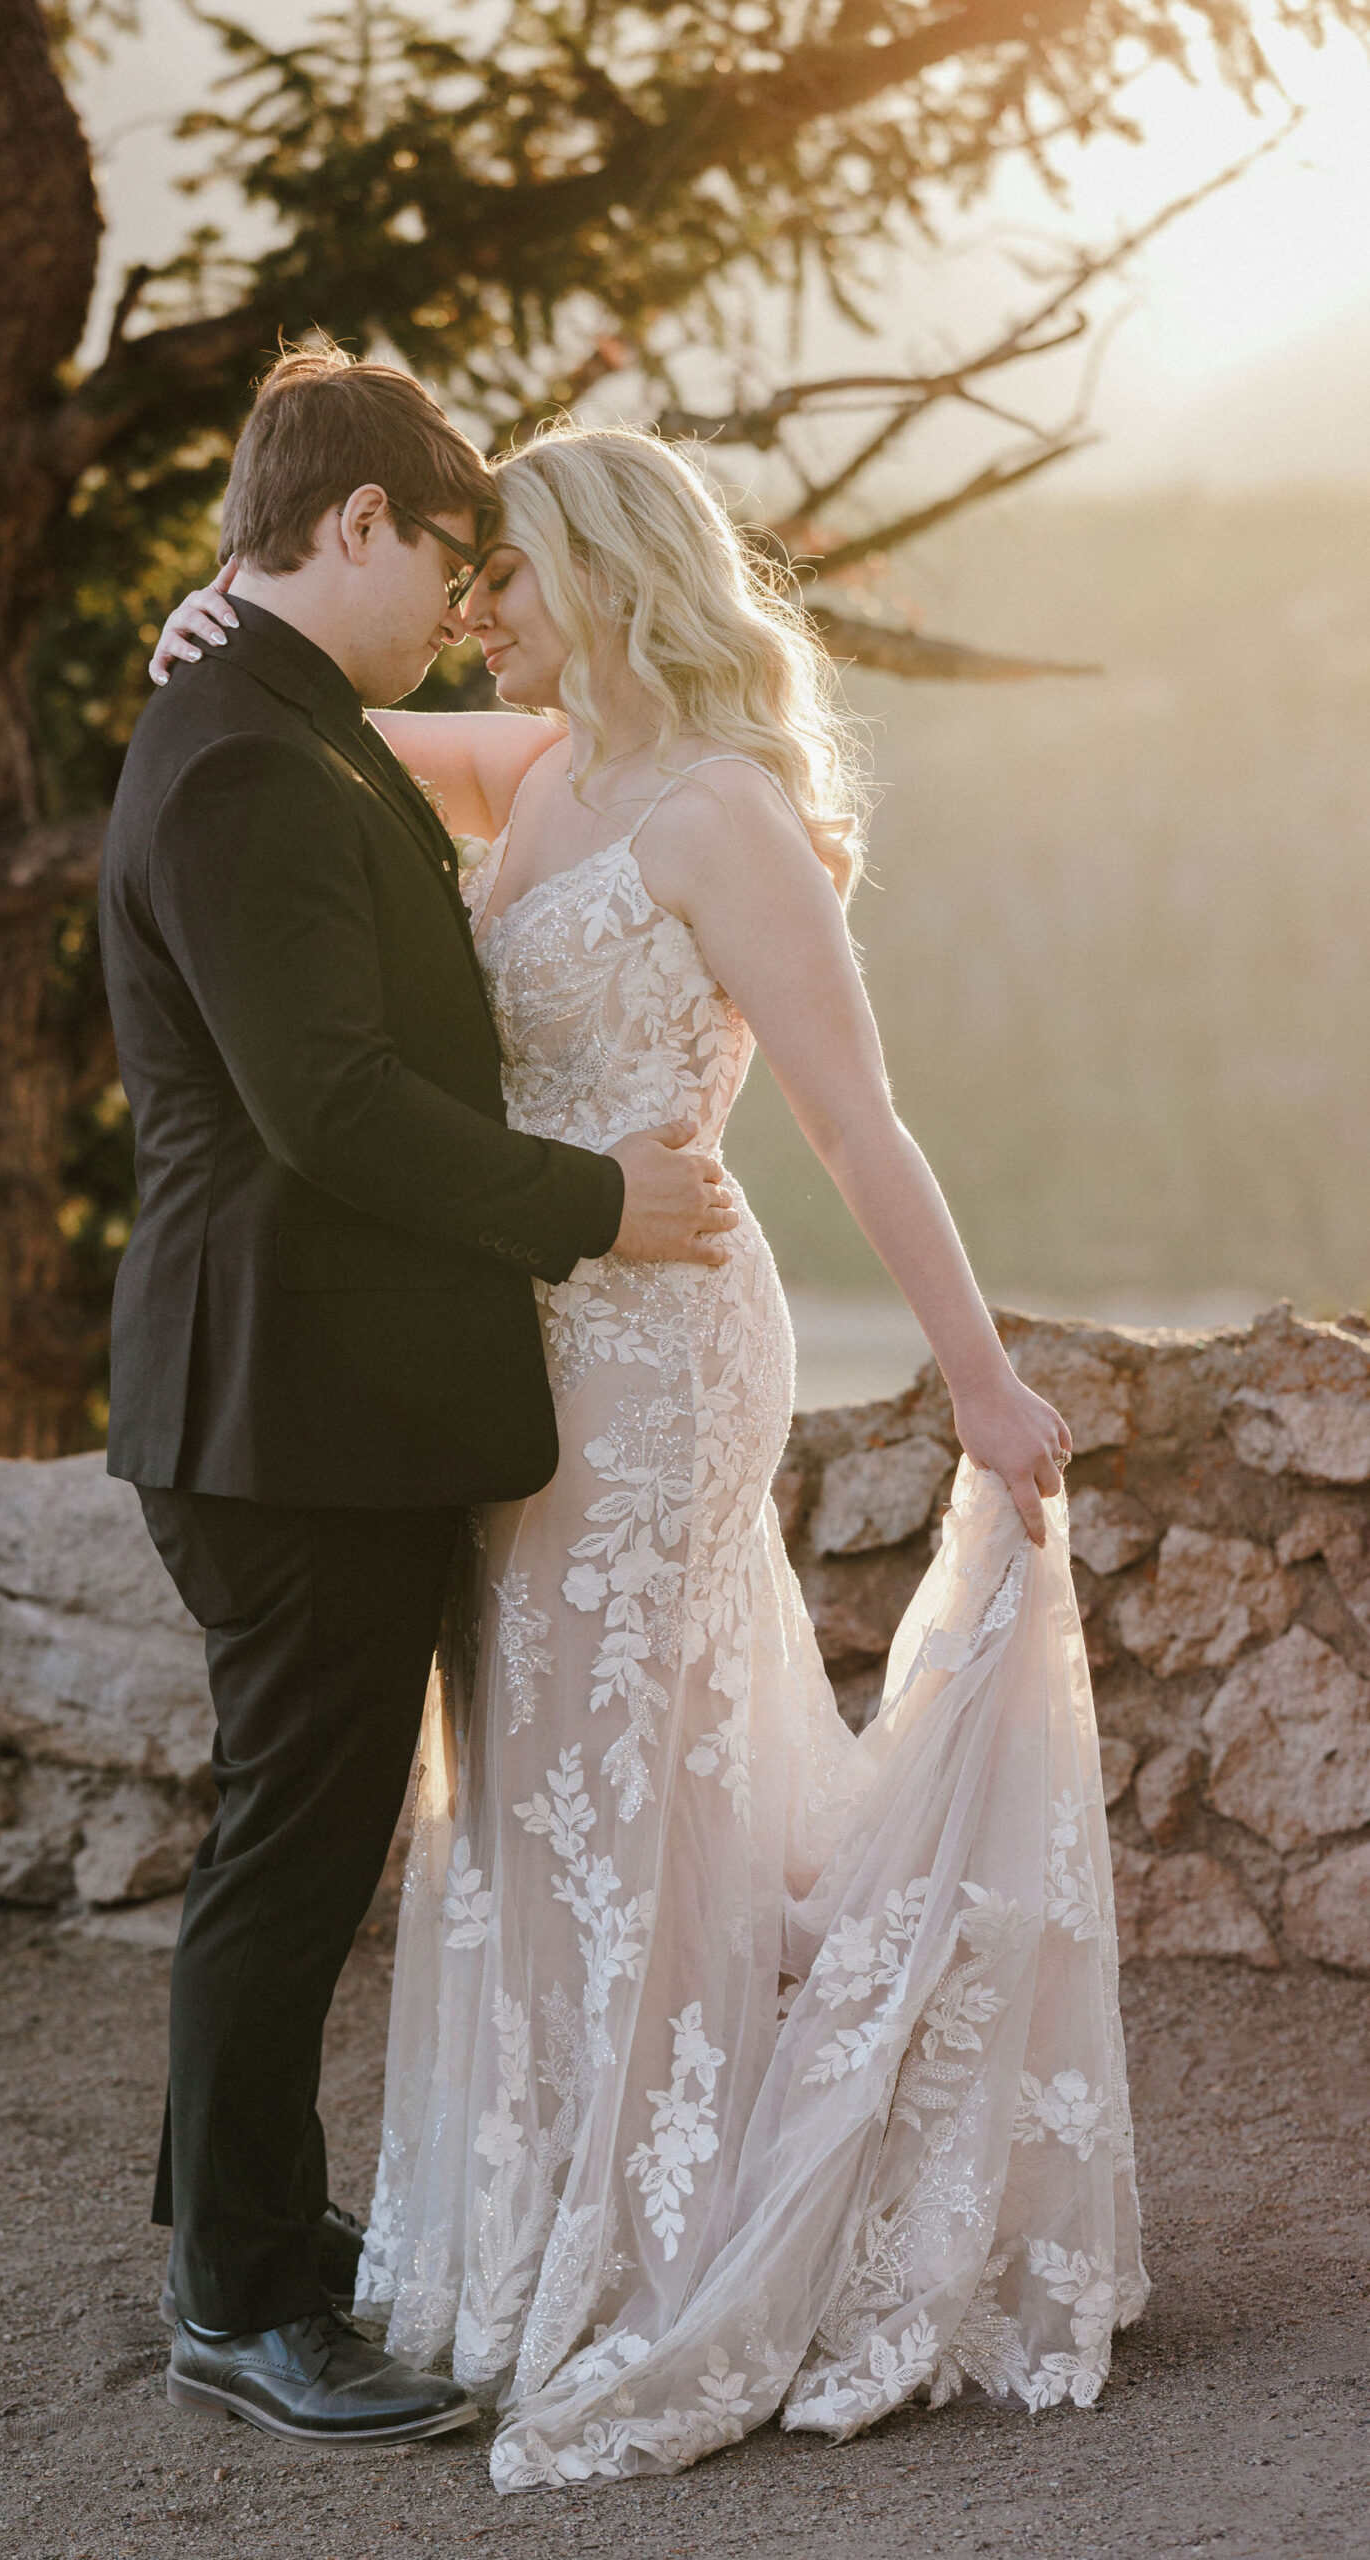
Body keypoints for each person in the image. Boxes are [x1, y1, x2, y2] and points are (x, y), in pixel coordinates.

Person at [150, 418, 1146, 2489]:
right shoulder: (531, 766)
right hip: (510, 1351)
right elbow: (321, 732)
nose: (471, 610)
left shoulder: (719, 811)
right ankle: (527, 2213)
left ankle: (659, 2226)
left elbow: (861, 1123)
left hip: (662, 1343)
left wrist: (974, 1378)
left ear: (598, 576)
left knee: (630, 1783)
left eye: (501, 577)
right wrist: (213, 618)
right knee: (530, 1793)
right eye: (456, 569)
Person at [101, 351, 735, 2450]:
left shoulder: (273, 722)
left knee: (295, 1831)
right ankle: (239, 2297)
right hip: (285, 1399)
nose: (464, 610)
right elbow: (330, 1105)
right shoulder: (245, 765)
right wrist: (597, 1207)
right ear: (355, 523)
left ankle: (249, 2222)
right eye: (448, 563)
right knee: (289, 1847)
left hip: (315, 1387)